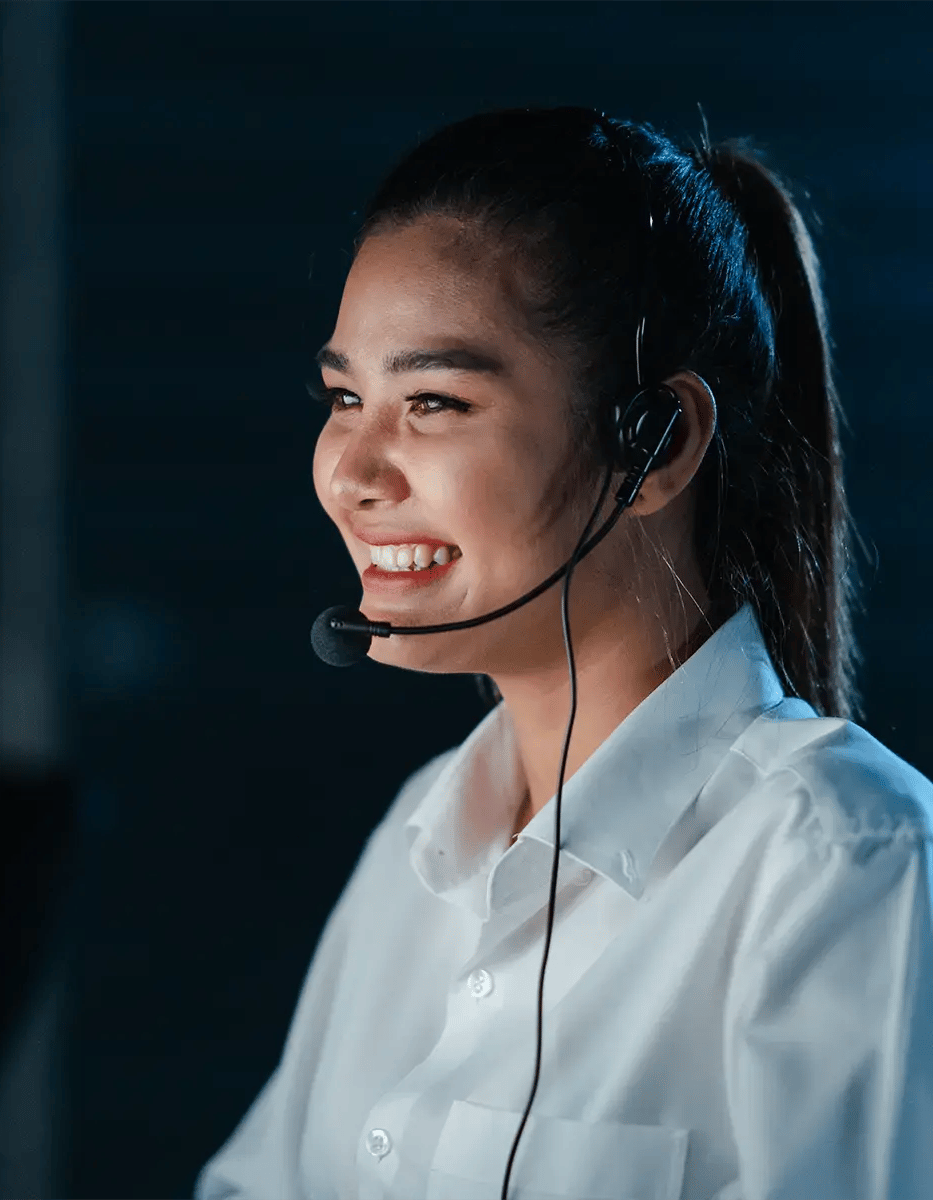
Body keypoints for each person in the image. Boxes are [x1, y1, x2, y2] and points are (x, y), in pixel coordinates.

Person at [194, 106, 933, 1199]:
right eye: (347, 398)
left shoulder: (845, 860)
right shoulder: (417, 845)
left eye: (433, 402)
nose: (353, 470)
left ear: (658, 443)